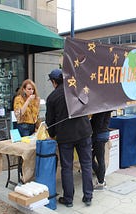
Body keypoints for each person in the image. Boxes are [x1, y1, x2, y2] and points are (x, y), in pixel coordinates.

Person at [45, 69, 93, 207]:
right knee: (86, 164)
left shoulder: (52, 97)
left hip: (65, 136)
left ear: (54, 82)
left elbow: (50, 121)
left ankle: (68, 199)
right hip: (84, 132)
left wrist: (52, 134)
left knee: (67, 167)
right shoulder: (76, 91)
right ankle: (88, 196)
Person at [91, 111, 112, 190]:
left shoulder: (100, 110)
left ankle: (101, 182)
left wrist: (92, 140)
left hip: (99, 136)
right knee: (97, 159)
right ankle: (101, 178)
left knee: (99, 159)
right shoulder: (106, 108)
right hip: (104, 134)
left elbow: (98, 125)